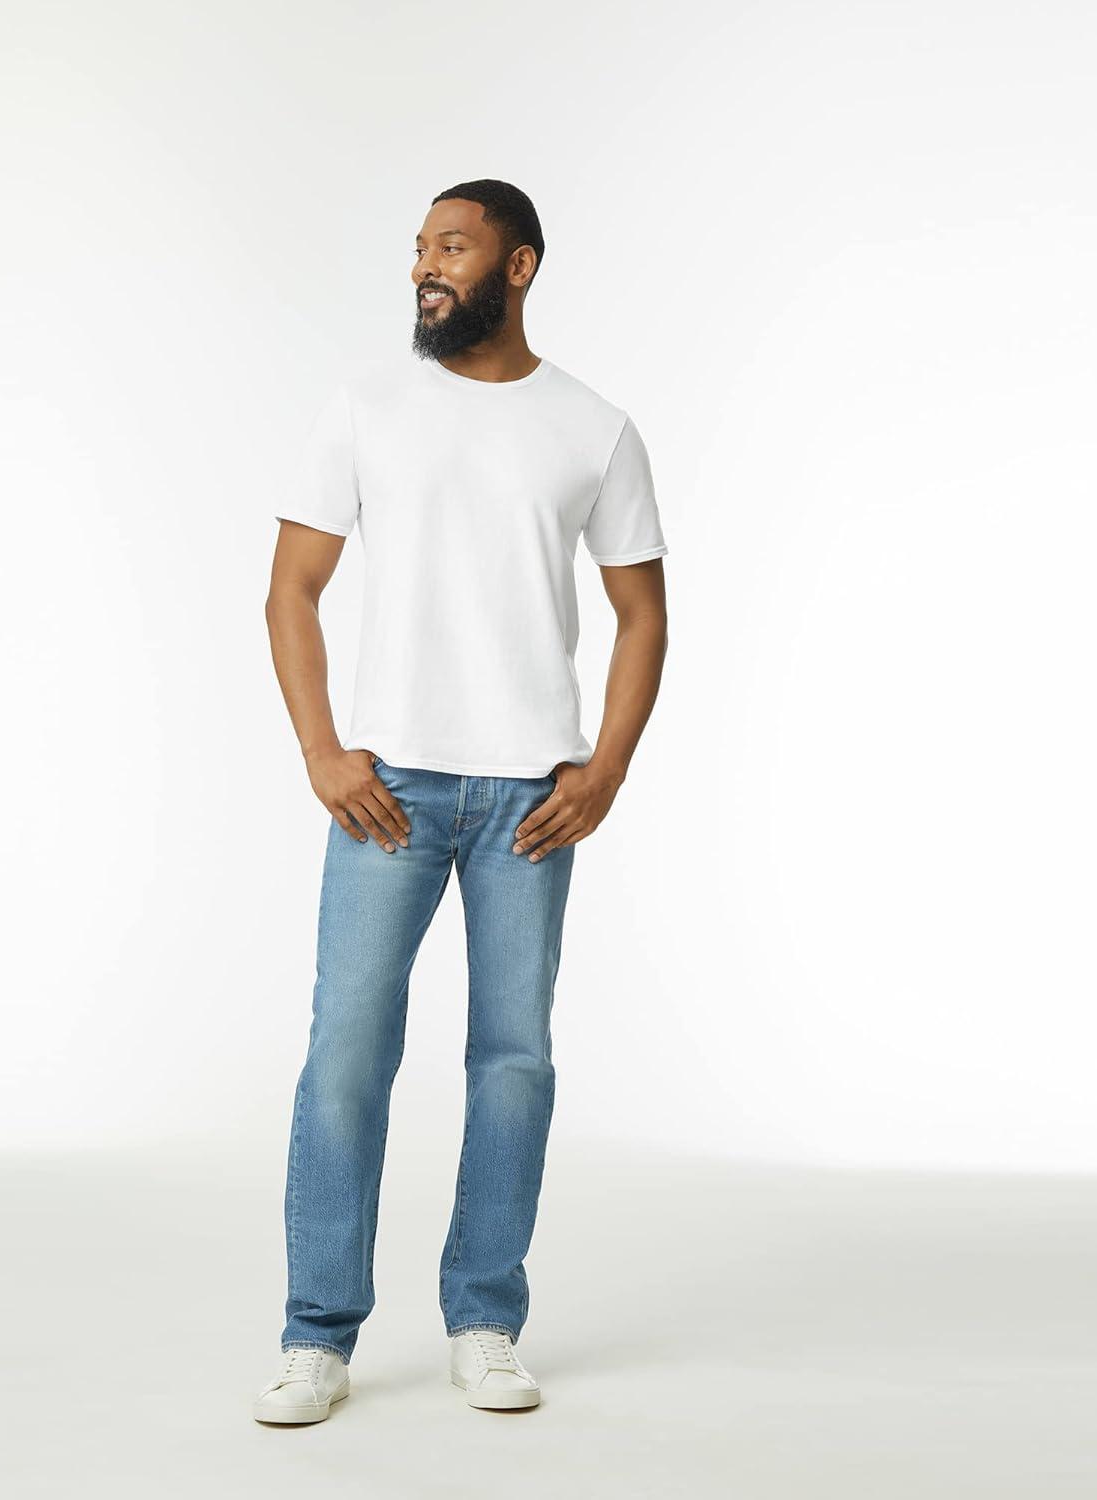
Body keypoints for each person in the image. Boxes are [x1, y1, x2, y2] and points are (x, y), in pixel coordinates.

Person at [255, 179, 669, 1423]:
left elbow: (643, 612)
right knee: (346, 1052)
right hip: (387, 787)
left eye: (452, 246)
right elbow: (290, 590)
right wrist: (324, 752)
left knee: (514, 1061)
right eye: (419, 249)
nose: (425, 268)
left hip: (530, 797)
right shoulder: (367, 407)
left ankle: (484, 1320)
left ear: (518, 265)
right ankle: (317, 1334)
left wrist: (606, 766)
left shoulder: (593, 428)